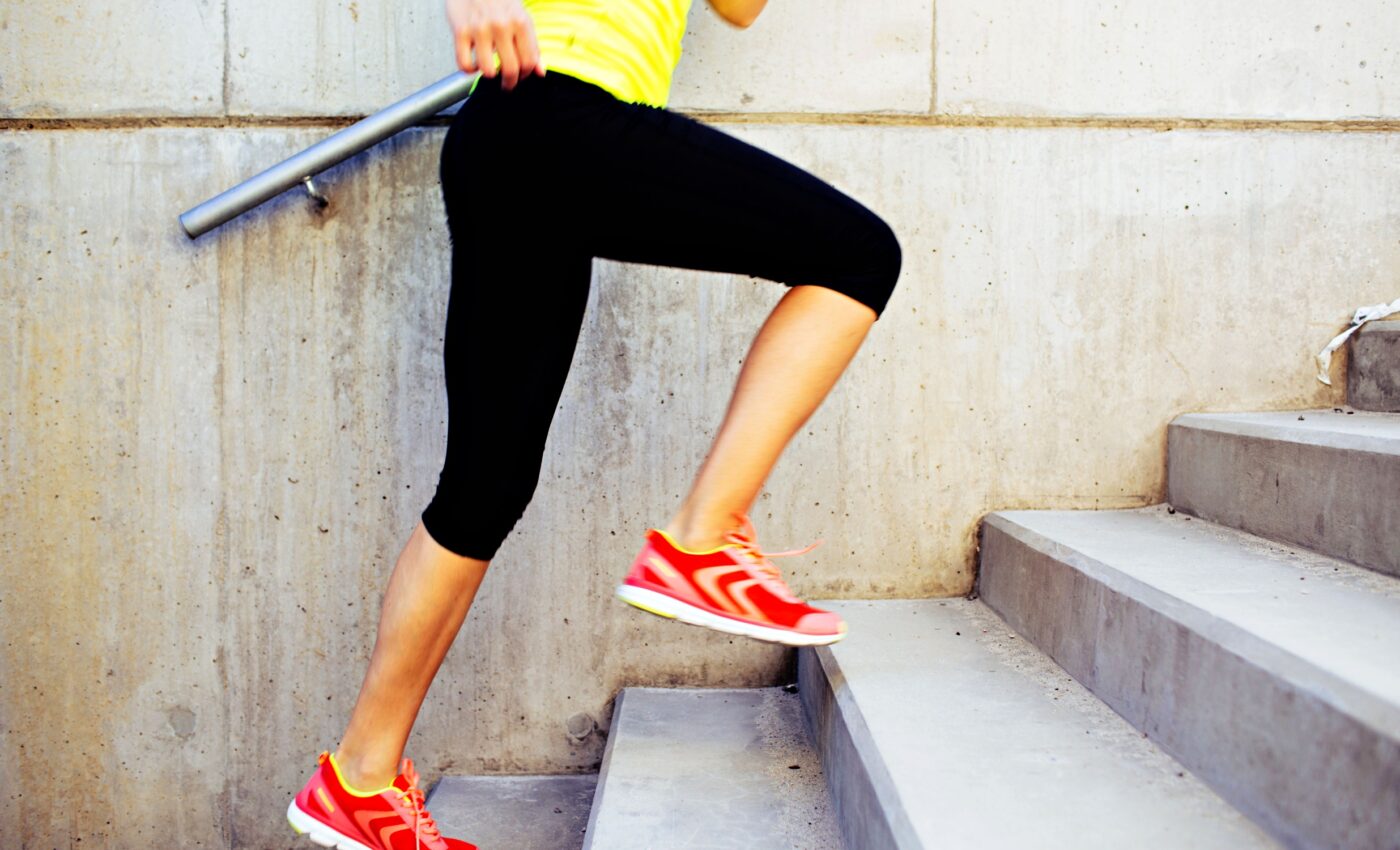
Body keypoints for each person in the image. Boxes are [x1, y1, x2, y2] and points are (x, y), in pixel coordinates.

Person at [287, 0, 902, 846]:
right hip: (556, 118)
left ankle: (361, 776)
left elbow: (743, 8)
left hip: (518, 144)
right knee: (859, 253)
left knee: (484, 489)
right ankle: (702, 539)